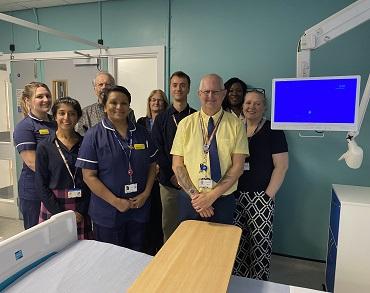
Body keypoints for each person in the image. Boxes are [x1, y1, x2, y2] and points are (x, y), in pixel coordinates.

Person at [76, 86, 157, 252]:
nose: (119, 107)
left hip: (138, 208)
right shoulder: (94, 135)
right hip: (108, 212)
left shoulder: (142, 133)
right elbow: (88, 176)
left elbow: (152, 165)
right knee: (110, 257)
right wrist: (116, 202)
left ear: (129, 107)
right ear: (105, 106)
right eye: (113, 103)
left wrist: (146, 194)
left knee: (137, 253)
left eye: (124, 103)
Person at [171, 74, 249, 224]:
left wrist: (211, 196)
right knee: (189, 244)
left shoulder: (236, 125)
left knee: (220, 246)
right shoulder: (185, 124)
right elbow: (177, 165)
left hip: (222, 200)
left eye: (216, 92)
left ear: (224, 93)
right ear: (199, 94)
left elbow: (238, 167)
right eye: (206, 92)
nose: (211, 96)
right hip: (191, 199)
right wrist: (197, 198)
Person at [233, 89, 289, 280]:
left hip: (260, 197)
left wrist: (267, 197)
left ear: (264, 107)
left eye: (257, 103)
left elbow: (281, 167)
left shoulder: (273, 130)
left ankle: (259, 285)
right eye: (248, 103)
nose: (252, 107)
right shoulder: (236, 127)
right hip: (235, 195)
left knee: (259, 245)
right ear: (242, 106)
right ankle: (239, 282)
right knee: (237, 244)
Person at [35, 97, 92, 240]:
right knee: (53, 252)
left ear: (78, 117)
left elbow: (91, 180)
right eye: (61, 113)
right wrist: (59, 214)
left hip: (81, 204)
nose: (66, 118)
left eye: (72, 113)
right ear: (54, 116)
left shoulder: (86, 144)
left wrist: (81, 211)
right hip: (53, 205)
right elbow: (40, 184)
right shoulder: (44, 146)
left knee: (82, 251)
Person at [151, 71, 196, 242]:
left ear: (189, 88)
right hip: (168, 183)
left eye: (183, 85)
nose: (179, 88)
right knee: (169, 225)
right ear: (170, 88)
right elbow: (157, 150)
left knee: (192, 225)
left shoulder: (197, 117)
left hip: (192, 182)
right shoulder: (161, 119)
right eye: (175, 85)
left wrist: (185, 176)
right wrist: (173, 175)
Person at [13, 82, 56, 229]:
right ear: (27, 100)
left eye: (48, 95)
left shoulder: (56, 122)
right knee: (35, 234)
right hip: (34, 190)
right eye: (39, 96)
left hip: (55, 186)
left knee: (57, 232)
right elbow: (32, 162)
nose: (46, 99)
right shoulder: (25, 127)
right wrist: (60, 175)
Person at [137, 89, 169, 254]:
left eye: (160, 100)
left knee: (160, 213)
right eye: (153, 100)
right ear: (149, 103)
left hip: (163, 173)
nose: (156, 103)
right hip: (145, 173)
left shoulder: (168, 121)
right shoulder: (141, 122)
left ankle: (160, 246)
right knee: (146, 213)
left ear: (165, 103)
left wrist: (159, 166)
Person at [75, 71, 135, 135]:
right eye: (100, 85)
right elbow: (80, 139)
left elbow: (133, 135)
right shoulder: (85, 113)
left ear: (114, 87)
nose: (104, 87)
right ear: (95, 89)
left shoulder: (127, 112)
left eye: (108, 84)